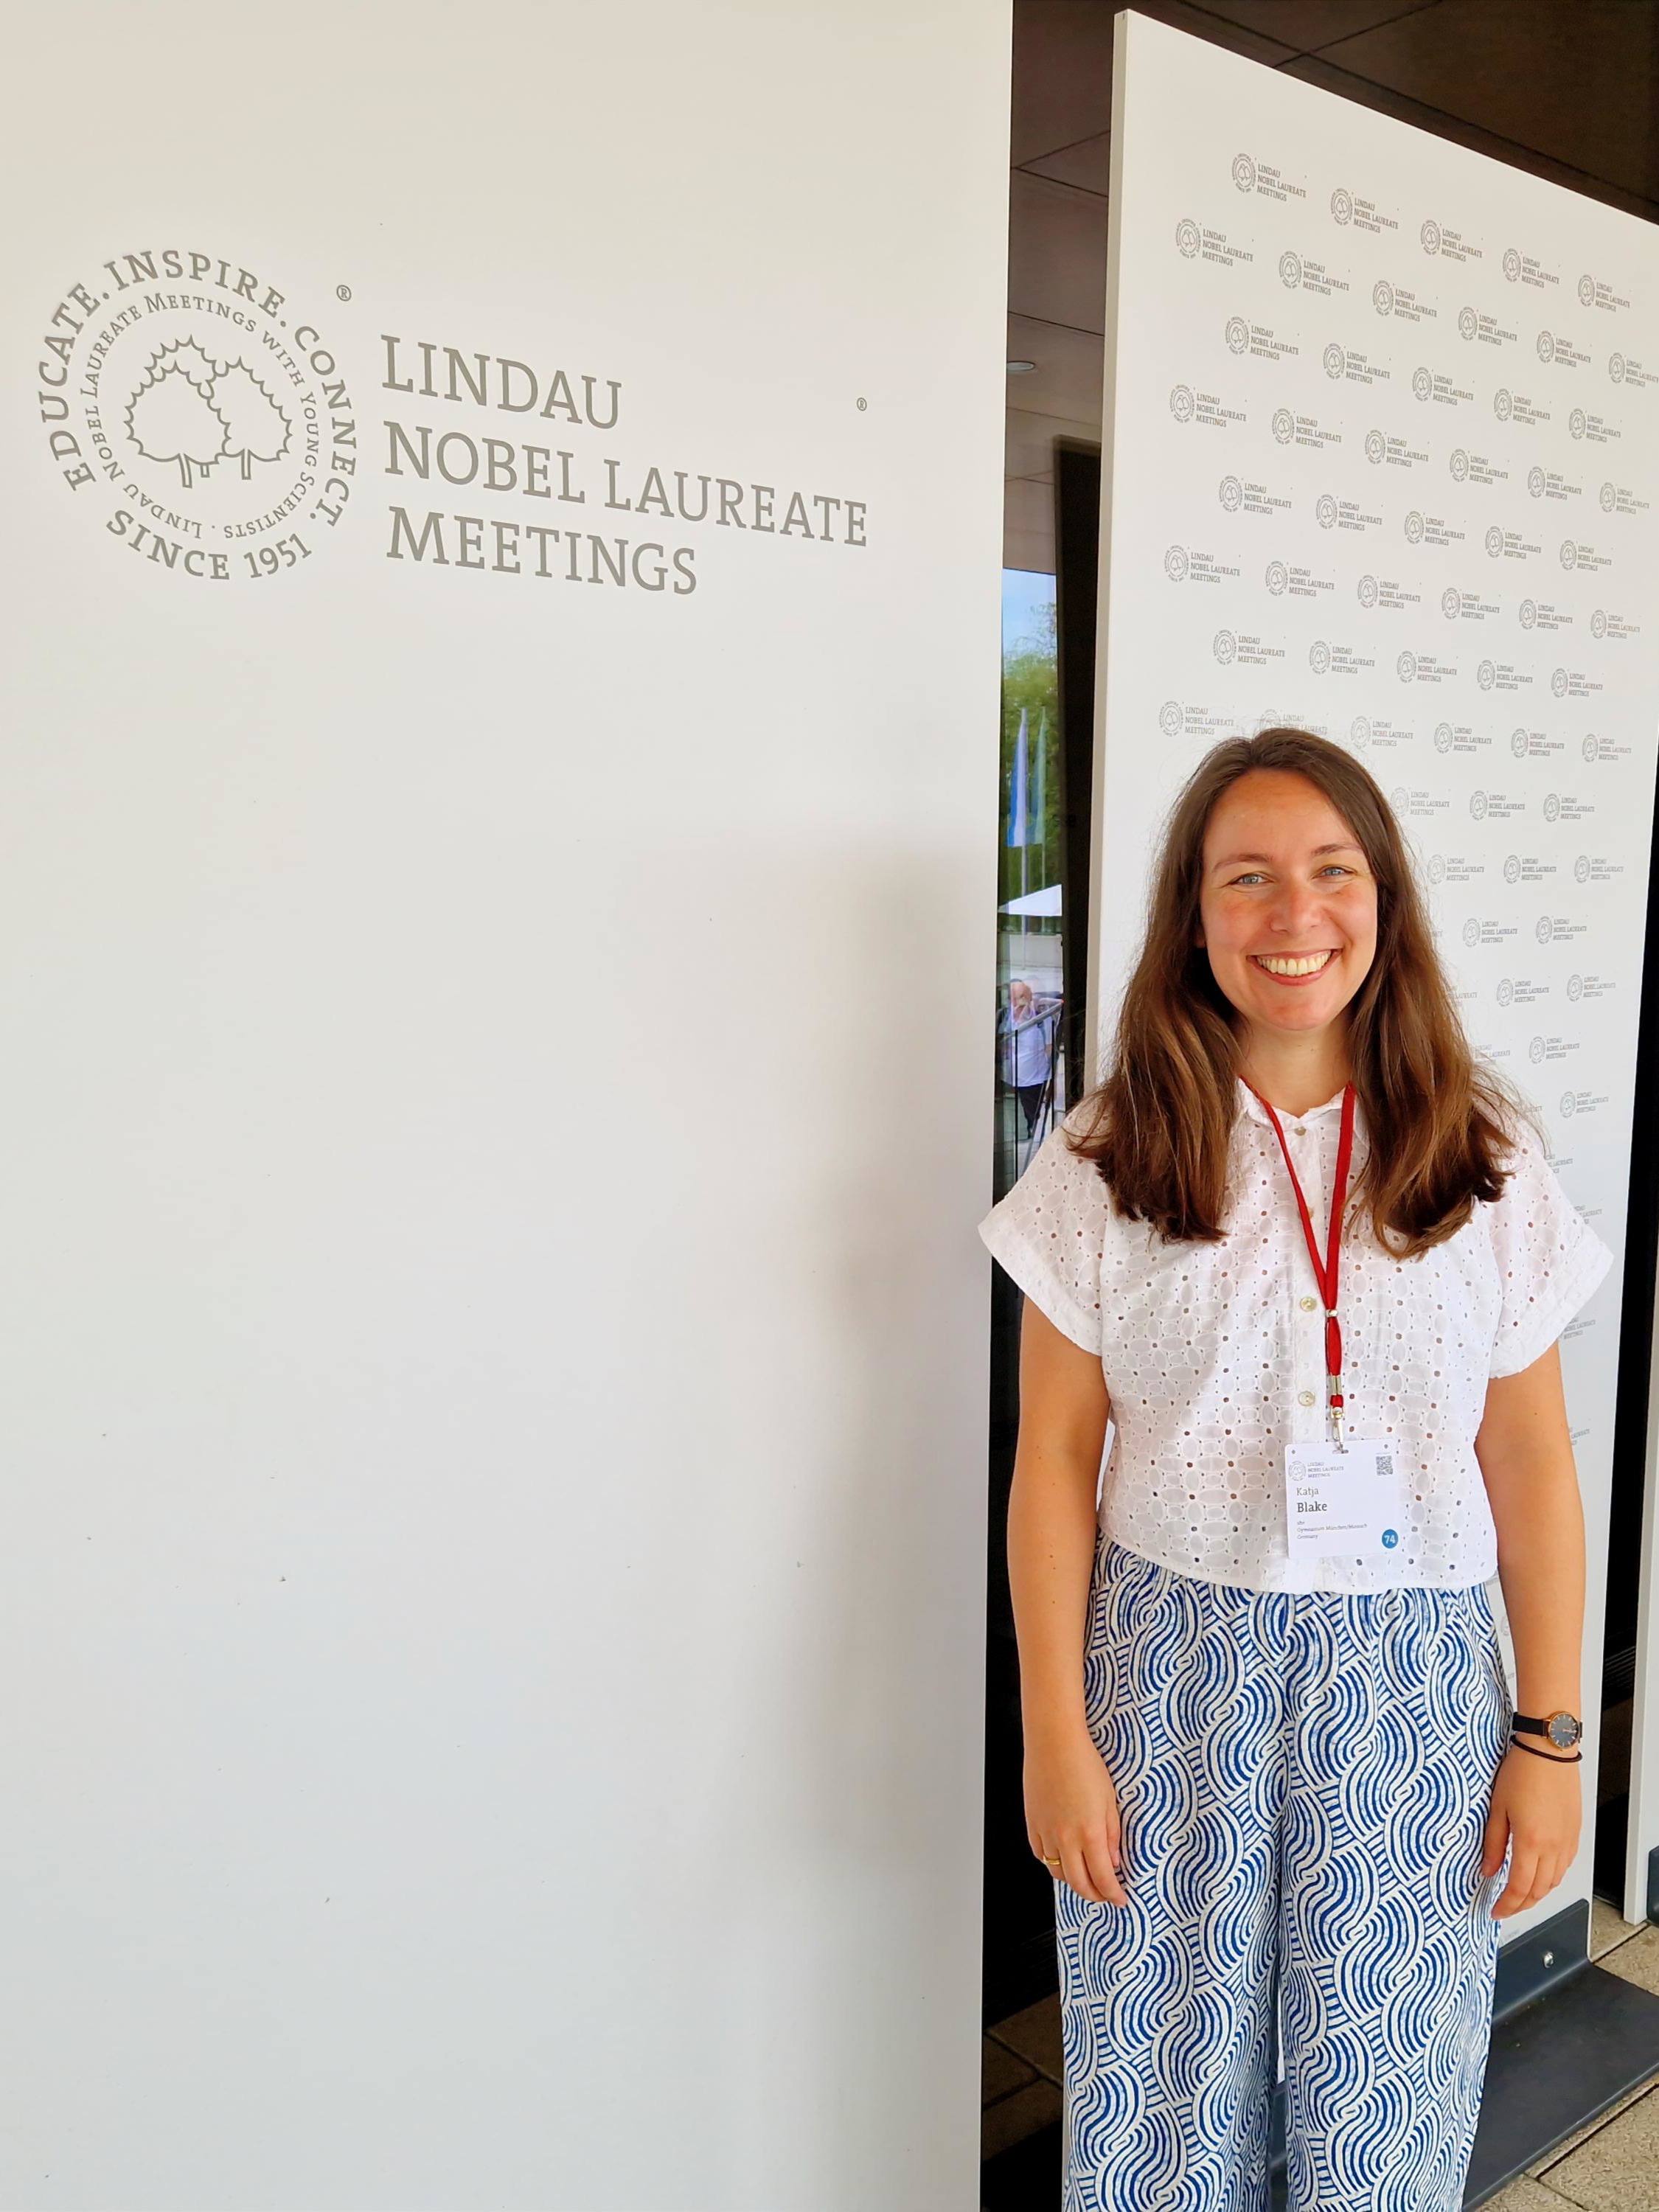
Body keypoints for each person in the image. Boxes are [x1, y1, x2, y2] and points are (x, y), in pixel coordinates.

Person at [978, 728, 1608, 2212]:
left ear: (1383, 899)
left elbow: (1526, 1458)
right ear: (1194, 918)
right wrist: (1053, 1735)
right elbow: (1055, 1459)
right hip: (1171, 1664)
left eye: (1332, 872)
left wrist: (1554, 1734)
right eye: (1246, 877)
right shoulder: (1107, 1156)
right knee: (1160, 2100)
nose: (1293, 914)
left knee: (1385, 2095)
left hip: (1417, 1675)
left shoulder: (1480, 1151)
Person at [999, 975, 1061, 1138]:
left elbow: (1050, 1050)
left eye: (1022, 996)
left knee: (1035, 1121)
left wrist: (1052, 1081)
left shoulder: (1042, 1019)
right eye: (1013, 998)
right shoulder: (1006, 1018)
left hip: (1034, 1081)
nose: (1018, 1001)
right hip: (1011, 1081)